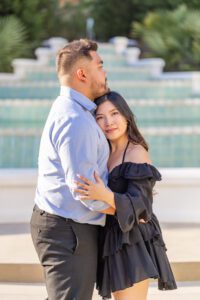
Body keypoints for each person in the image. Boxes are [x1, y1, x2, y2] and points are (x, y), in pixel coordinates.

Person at [30, 39, 115, 300]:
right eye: (99, 65)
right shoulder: (75, 119)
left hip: (66, 227)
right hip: (69, 231)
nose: (105, 72)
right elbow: (85, 191)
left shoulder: (76, 112)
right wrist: (126, 211)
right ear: (82, 74)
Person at [74, 91, 177, 300]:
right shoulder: (104, 153)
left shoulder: (136, 152)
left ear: (126, 116)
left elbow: (142, 208)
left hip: (133, 239)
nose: (108, 122)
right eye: (100, 117)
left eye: (114, 114)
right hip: (112, 236)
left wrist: (104, 194)